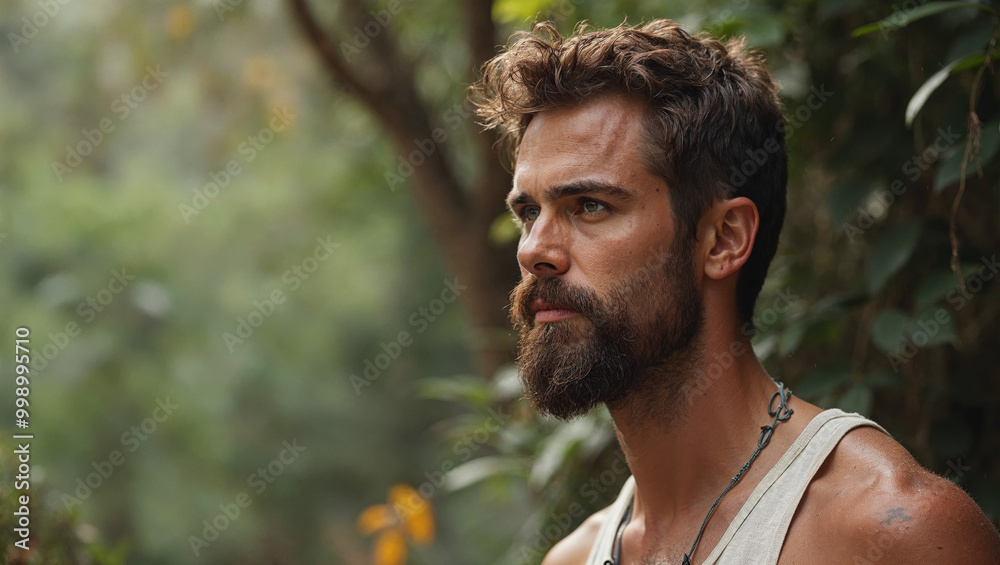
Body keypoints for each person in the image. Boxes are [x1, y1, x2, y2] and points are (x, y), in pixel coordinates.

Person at [471, 19, 1000, 564]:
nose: (532, 249)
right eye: (529, 211)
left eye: (590, 206)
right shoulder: (574, 558)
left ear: (723, 239)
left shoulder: (892, 533)